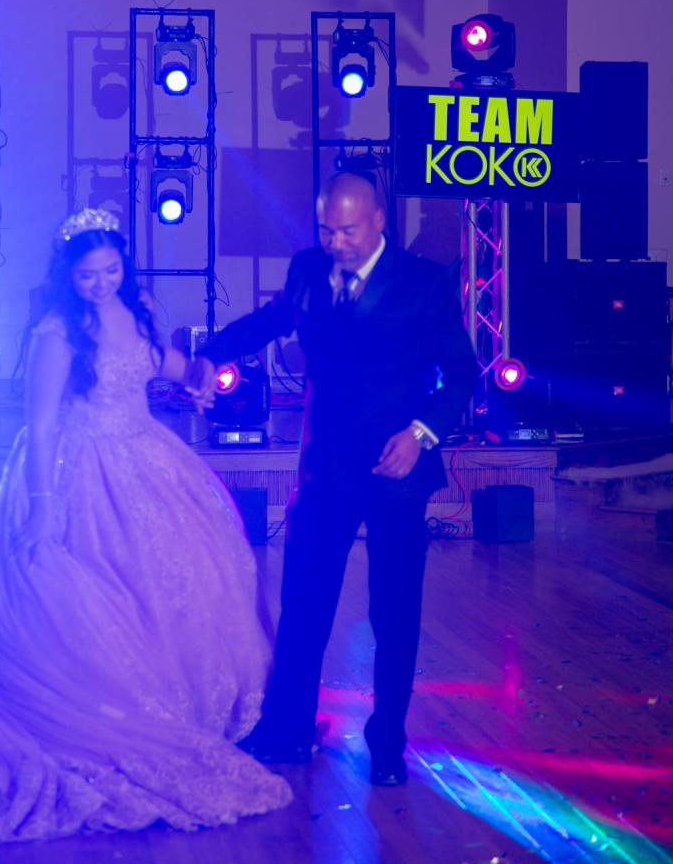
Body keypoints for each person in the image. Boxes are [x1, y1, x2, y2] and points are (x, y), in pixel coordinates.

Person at [0, 209, 291, 842]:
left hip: (146, 458)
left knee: (177, 587)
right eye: (89, 274)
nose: (101, 283)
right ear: (68, 274)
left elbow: (162, 364)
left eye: (111, 271)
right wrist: (44, 504)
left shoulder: (139, 309)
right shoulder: (57, 332)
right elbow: (40, 426)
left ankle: (177, 710)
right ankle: (105, 720)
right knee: (91, 605)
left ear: (124, 266)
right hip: (77, 470)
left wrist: (197, 376)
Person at [198, 172, 478, 786]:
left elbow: (463, 374)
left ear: (379, 219)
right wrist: (213, 353)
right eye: (327, 230)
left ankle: (387, 742)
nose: (336, 243)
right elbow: (269, 322)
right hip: (327, 468)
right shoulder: (307, 270)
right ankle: (288, 729)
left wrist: (420, 434)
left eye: (348, 230)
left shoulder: (424, 282)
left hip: (397, 470)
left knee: (394, 609)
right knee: (304, 599)